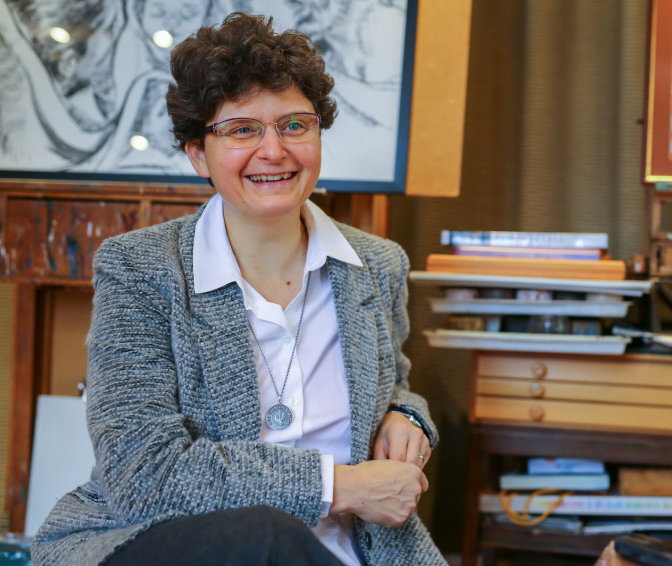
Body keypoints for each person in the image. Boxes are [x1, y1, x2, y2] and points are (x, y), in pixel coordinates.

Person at [31, 12, 446, 566]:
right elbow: (143, 474)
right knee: (265, 538)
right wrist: (340, 487)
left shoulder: (378, 264)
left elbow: (395, 385)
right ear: (197, 153)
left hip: (350, 549)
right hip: (179, 543)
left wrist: (408, 417)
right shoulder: (140, 270)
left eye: (294, 125)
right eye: (242, 129)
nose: (274, 150)